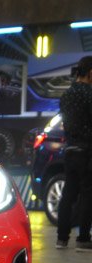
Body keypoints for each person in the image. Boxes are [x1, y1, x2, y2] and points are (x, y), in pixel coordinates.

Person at [56, 56, 92, 251]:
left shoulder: (66, 95)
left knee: (68, 194)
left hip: (70, 150)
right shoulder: (89, 93)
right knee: (87, 193)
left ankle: (61, 239)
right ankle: (83, 238)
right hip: (87, 150)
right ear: (90, 73)